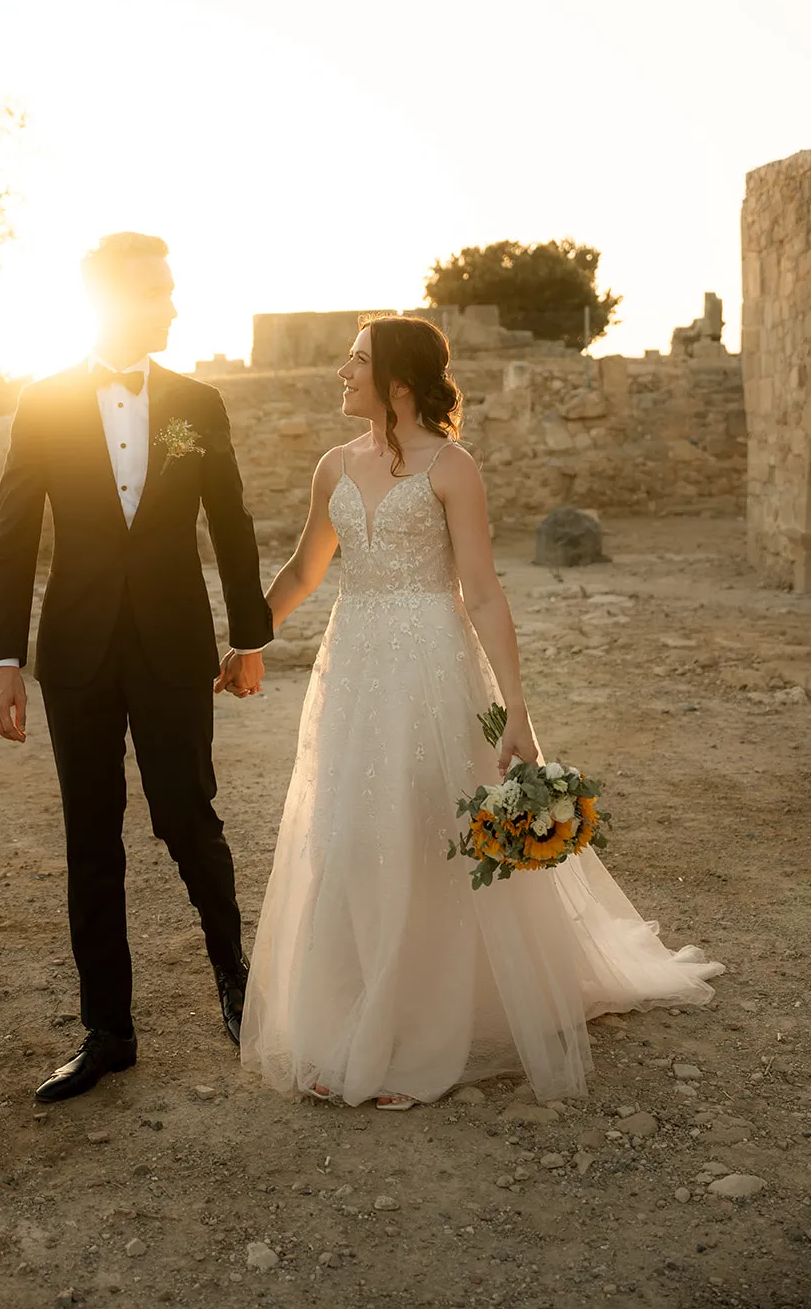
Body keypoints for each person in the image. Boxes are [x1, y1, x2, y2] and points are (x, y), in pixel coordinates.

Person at [240, 314, 723, 1109]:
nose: (341, 373)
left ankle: (420, 1038)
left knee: (427, 835)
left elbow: (484, 593)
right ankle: (358, 1019)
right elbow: (302, 570)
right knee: (349, 836)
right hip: (353, 668)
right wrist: (246, 640)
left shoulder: (451, 466)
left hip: (432, 667)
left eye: (355, 361)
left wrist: (517, 713)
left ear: (397, 381)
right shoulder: (333, 465)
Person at [0, 231, 273, 1103]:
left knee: (188, 818)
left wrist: (249, 639)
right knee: (91, 836)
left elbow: (229, 522)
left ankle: (237, 985)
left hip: (173, 643)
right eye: (156, 291)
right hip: (75, 651)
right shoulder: (41, 402)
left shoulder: (197, 403)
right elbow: (14, 536)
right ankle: (108, 1031)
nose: (173, 305)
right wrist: (5, 659)